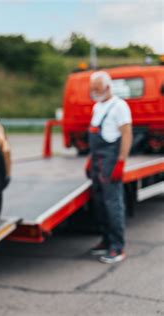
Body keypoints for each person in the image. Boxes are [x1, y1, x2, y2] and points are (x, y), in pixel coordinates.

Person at [85, 70, 132, 264]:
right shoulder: (97, 107)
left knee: (113, 204)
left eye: (98, 88)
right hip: (98, 160)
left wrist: (121, 161)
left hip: (111, 159)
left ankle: (117, 247)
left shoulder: (119, 106)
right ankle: (105, 241)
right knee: (100, 202)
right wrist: (90, 159)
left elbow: (126, 134)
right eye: (93, 89)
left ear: (108, 87)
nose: (95, 92)